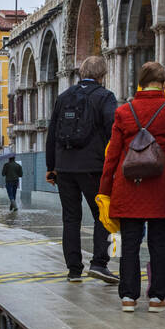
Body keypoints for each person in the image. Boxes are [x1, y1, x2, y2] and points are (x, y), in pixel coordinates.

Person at [99, 62, 165, 313]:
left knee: (130, 242)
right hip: (161, 186)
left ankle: (128, 297)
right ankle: (156, 297)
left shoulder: (123, 112)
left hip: (129, 185)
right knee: (159, 242)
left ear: (140, 83)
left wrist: (104, 190)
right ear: (164, 83)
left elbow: (112, 154)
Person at [47, 55, 118, 284]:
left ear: (81, 74)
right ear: (102, 75)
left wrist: (51, 167)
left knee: (70, 218)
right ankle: (99, 263)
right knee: (101, 215)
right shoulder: (105, 97)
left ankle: (74, 270)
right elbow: (113, 132)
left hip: (65, 167)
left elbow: (52, 135)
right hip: (94, 166)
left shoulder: (63, 97)